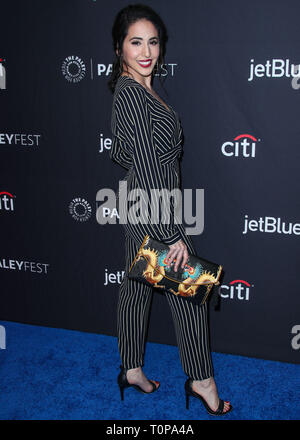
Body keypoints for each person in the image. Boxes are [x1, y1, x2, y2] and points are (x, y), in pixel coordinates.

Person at [108, 4, 232, 416]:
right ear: (120, 47)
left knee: (136, 287)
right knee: (190, 293)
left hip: (139, 205)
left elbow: (130, 157)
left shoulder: (141, 88)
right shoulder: (131, 95)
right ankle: (201, 379)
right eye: (135, 42)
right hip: (153, 209)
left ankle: (131, 369)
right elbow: (143, 163)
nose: (146, 51)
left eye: (153, 42)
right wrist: (172, 230)